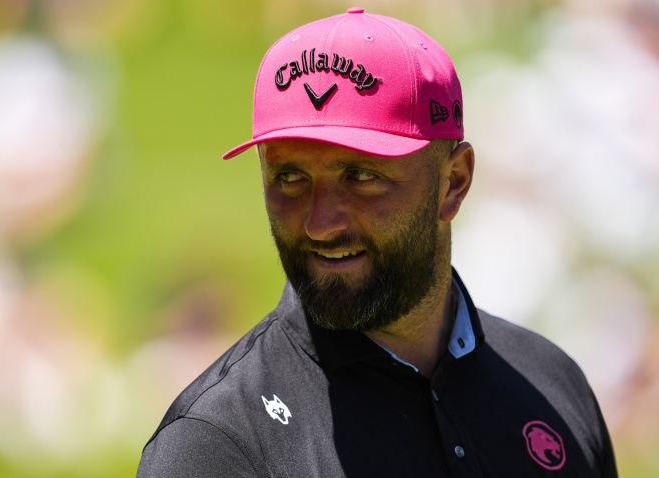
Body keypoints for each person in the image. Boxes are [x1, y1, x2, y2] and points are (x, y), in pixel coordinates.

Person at [137, 8, 617, 477]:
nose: (319, 224)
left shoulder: (554, 386)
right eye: (288, 177)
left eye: (361, 176)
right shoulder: (215, 444)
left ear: (454, 183)